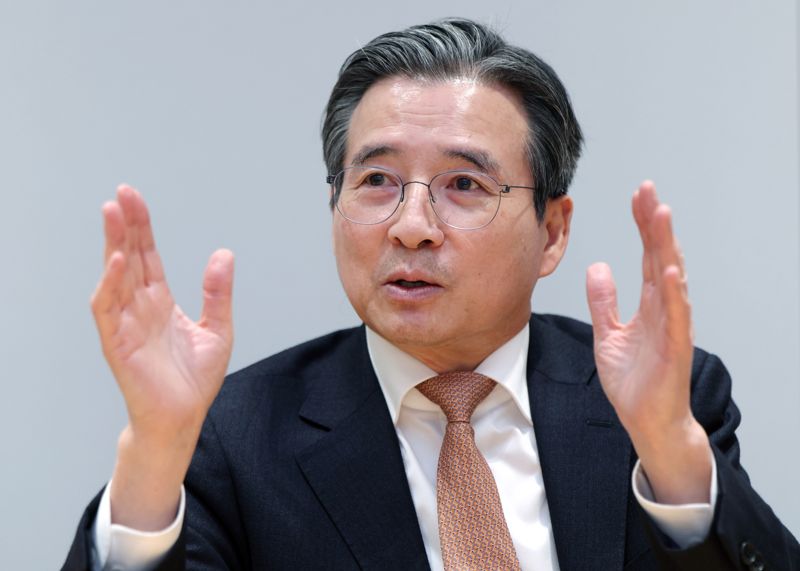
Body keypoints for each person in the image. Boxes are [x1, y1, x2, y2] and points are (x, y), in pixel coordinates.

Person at [61, 18, 798, 571]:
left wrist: (671, 454)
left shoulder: (663, 399)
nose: (410, 226)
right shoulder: (233, 434)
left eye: (464, 184)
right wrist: (154, 456)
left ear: (552, 232)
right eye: (376, 180)